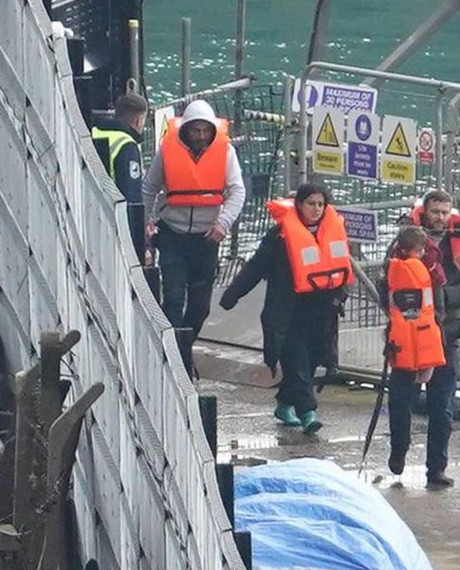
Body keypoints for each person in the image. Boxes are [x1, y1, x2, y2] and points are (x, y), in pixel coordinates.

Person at [218, 183, 350, 433]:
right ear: (299, 205)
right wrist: (232, 294)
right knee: (298, 364)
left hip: (321, 313)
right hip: (287, 315)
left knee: (310, 364)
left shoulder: (333, 231)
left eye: (321, 204)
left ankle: (284, 404)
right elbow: (256, 267)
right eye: (311, 203)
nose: (316, 209)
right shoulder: (279, 236)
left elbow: (340, 272)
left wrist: (338, 298)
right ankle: (308, 413)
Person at [143, 99, 247, 373]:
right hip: (173, 235)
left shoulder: (225, 154)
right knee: (174, 298)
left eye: (205, 130)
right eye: (195, 130)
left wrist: (223, 222)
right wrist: (145, 222)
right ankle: (173, 359)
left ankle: (183, 348)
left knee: (200, 307)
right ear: (186, 130)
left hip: (207, 238)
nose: (200, 135)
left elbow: (238, 191)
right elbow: (149, 188)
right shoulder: (166, 152)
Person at [397, 191, 460, 467]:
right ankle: (399, 449)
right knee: (400, 403)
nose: (440, 217)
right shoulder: (404, 244)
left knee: (443, 407)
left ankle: (437, 467)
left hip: (447, 335)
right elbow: (385, 282)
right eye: (435, 211)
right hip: (408, 337)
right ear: (424, 212)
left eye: (445, 212)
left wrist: (443, 295)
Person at [385, 226, 451, 485]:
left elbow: (388, 306)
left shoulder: (391, 270)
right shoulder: (431, 271)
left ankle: (432, 465)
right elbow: (437, 307)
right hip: (430, 340)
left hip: (408, 342)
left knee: (436, 408)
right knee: (405, 404)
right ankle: (402, 450)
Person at [90, 91, 151, 261]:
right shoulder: (127, 145)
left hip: (89, 216)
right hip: (114, 228)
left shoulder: (92, 132)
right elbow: (131, 198)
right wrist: (140, 245)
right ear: (138, 121)